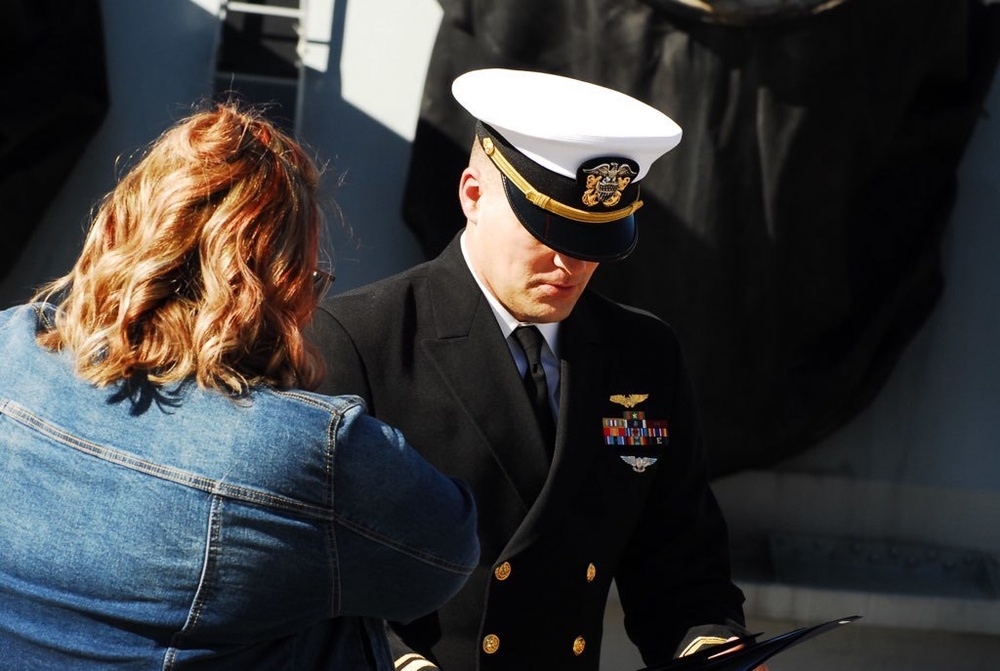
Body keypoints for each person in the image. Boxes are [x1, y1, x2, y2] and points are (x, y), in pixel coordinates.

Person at [0, 102, 479, 669]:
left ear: (116, 230)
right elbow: (445, 557)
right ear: (283, 285)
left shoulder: (10, 343)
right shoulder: (309, 451)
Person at [310, 69, 756, 670]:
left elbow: (679, 562)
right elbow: (314, 566)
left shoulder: (643, 355)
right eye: (548, 230)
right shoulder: (359, 341)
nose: (569, 262)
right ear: (472, 195)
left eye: (593, 238)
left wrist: (711, 647)